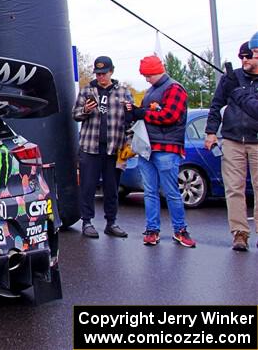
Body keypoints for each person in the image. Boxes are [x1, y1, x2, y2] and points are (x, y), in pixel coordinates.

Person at [130, 55, 196, 248]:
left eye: (147, 75)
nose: (146, 79)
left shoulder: (175, 89)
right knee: (150, 192)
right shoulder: (152, 91)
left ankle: (180, 229)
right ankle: (152, 229)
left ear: (155, 71)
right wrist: (134, 112)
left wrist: (143, 113)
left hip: (167, 147)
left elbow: (171, 116)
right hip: (148, 147)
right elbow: (148, 115)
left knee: (171, 192)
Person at [203, 42, 258, 251]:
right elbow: (216, 105)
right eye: (241, 56)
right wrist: (210, 132)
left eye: (248, 56)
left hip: (256, 139)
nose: (244, 60)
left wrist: (239, 92)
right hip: (233, 139)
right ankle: (239, 233)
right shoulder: (232, 78)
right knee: (234, 187)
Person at [71, 56, 132, 239]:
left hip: (114, 148)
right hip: (90, 147)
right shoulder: (86, 90)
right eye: (98, 74)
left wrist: (128, 143)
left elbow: (130, 119)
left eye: (104, 73)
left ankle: (111, 222)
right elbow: (75, 115)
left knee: (112, 188)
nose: (101, 77)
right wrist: (86, 110)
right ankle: (87, 222)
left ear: (111, 71)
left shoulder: (123, 91)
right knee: (88, 187)